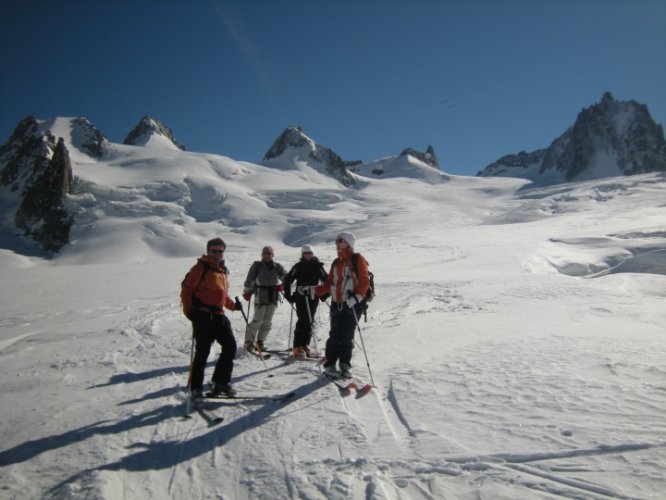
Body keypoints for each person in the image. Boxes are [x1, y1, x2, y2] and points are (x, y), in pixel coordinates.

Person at [303, 231, 369, 379]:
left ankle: (345, 366)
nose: (337, 243)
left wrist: (357, 298)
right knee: (334, 336)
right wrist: (313, 290)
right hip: (337, 304)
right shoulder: (336, 262)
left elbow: (364, 280)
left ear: (348, 243)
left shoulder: (357, 259)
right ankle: (330, 365)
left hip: (352, 304)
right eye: (336, 240)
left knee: (347, 336)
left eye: (340, 240)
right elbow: (328, 285)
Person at [181, 237, 240, 402]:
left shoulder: (221, 271)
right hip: (202, 315)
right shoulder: (201, 268)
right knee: (203, 352)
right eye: (214, 251)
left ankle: (220, 382)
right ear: (208, 251)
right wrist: (190, 312)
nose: (217, 254)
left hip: (219, 315)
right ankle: (196, 389)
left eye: (220, 251)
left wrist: (234, 306)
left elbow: (222, 295)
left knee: (230, 347)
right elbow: (186, 290)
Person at [283, 244, 328, 358]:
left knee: (310, 320)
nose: (308, 255)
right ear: (302, 255)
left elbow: (327, 281)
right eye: (306, 253)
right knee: (302, 319)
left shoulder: (318, 266)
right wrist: (288, 296)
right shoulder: (298, 266)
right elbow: (288, 280)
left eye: (310, 253)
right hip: (301, 296)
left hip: (313, 296)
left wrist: (324, 295)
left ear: (313, 254)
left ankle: (305, 345)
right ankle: (297, 347)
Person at [242, 245, 287, 352]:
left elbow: (286, 277)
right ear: (262, 255)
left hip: (273, 296)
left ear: (272, 255)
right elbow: (249, 279)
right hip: (260, 295)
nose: (267, 256)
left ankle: (260, 342)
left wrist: (283, 285)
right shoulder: (257, 266)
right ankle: (249, 342)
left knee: (267, 322)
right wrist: (247, 291)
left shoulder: (277, 267)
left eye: (269, 254)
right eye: (265, 253)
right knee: (257, 320)